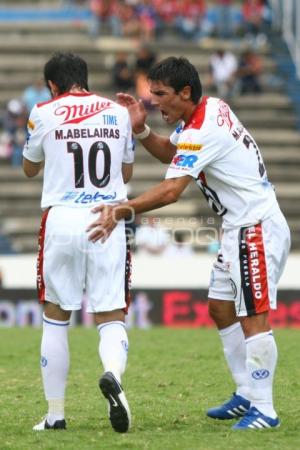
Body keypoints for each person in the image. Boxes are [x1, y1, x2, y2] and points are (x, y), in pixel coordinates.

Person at [87, 56, 291, 430]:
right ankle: (246, 392)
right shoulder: (208, 110)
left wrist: (121, 209)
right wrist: (143, 131)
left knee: (254, 317)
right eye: (152, 94)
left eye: (160, 95)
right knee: (219, 308)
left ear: (185, 92)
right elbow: (175, 154)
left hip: (256, 226)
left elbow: (171, 190)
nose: (154, 102)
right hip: (238, 226)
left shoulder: (202, 129)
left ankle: (265, 408)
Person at [22, 52, 134, 433]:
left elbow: (29, 167)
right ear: (84, 78)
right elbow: (127, 169)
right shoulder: (118, 112)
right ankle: (112, 374)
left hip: (62, 218)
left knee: (55, 318)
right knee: (110, 315)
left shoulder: (43, 111)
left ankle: (55, 416)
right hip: (107, 217)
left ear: (52, 84)